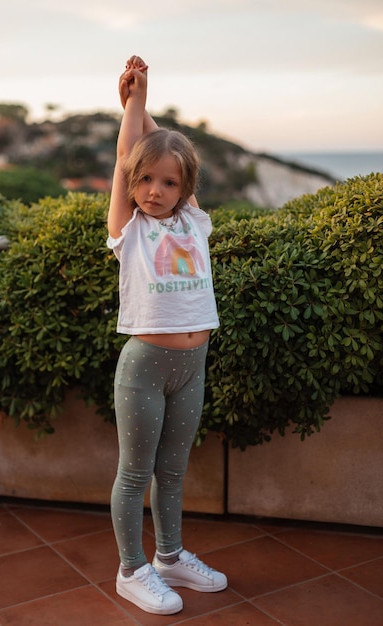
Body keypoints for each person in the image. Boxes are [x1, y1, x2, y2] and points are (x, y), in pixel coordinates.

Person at [107, 55, 227, 616]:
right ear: (132, 184)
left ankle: (171, 555)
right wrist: (134, 103)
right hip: (146, 365)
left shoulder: (194, 220)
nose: (156, 190)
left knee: (174, 469)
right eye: (146, 180)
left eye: (169, 182)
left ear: (185, 189)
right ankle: (132, 569)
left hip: (192, 364)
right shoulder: (129, 229)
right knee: (137, 471)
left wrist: (151, 114)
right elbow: (130, 153)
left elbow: (170, 154)